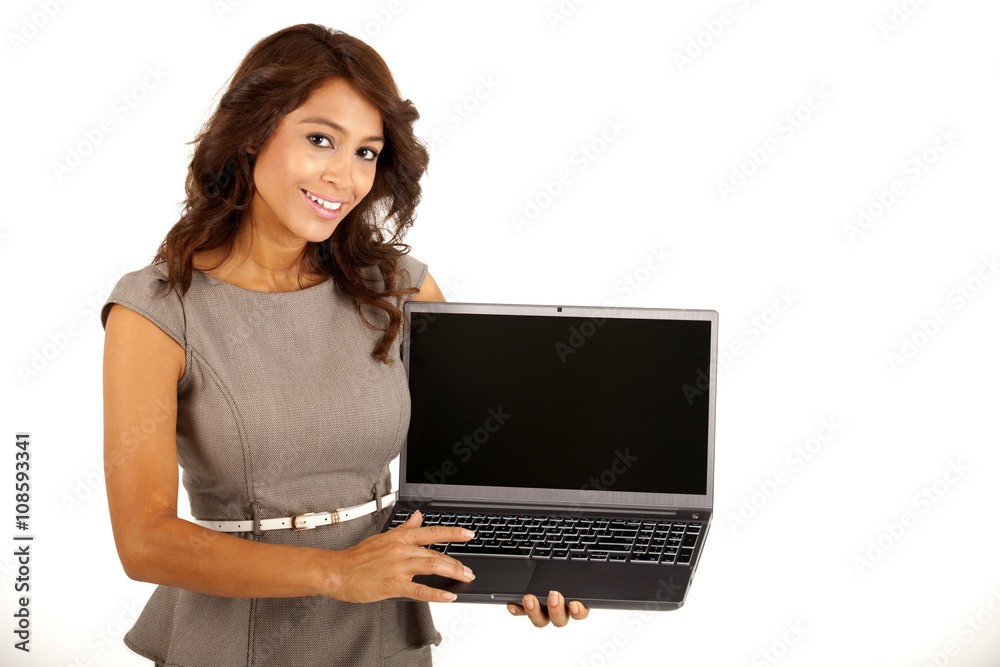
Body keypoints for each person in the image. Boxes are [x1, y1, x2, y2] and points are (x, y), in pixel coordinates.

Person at [101, 23, 588, 667]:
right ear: (252, 134)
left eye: (366, 152)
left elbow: (477, 469)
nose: (344, 176)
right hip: (237, 639)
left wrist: (531, 566)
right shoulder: (158, 310)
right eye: (320, 139)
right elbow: (144, 541)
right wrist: (336, 573)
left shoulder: (400, 289)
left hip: (383, 634)